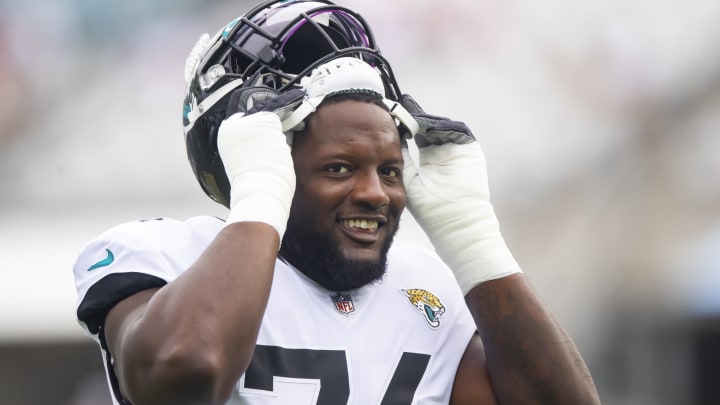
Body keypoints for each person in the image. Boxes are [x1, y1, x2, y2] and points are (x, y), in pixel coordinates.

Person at [72, 1, 601, 404]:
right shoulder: (162, 254)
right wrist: (260, 199)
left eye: (390, 170)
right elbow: (182, 371)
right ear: (265, 163)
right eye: (339, 168)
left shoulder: (425, 287)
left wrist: (476, 243)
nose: (375, 193)